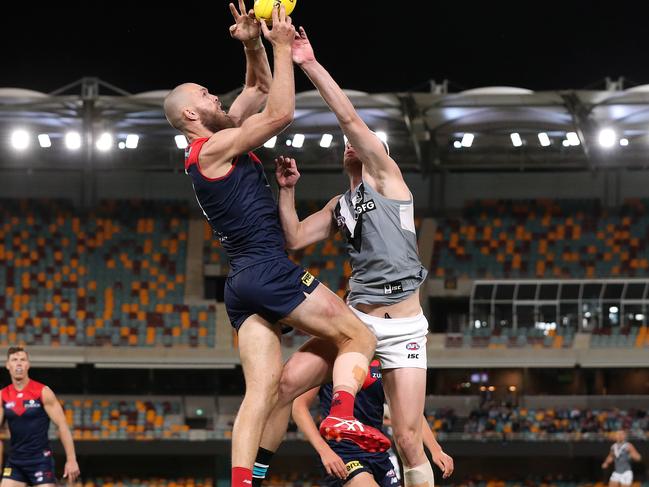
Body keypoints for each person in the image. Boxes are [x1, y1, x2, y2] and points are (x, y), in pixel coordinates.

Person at [163, 4, 387, 486]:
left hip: (241, 284)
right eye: (205, 94)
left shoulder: (217, 137)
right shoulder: (215, 148)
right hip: (268, 270)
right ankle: (343, 416)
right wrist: (281, 45)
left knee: (263, 393)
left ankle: (247, 482)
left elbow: (258, 89)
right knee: (361, 337)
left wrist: (251, 43)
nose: (214, 96)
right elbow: (280, 110)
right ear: (189, 113)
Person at [256, 26, 436, 487]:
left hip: (405, 326)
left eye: (367, 142)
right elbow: (294, 238)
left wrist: (309, 65)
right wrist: (288, 192)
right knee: (287, 383)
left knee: (410, 439)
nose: (353, 142)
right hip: (358, 320)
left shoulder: (388, 180)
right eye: (350, 143)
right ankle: (254, 472)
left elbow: (352, 120)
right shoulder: (340, 206)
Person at [290, 360, 454, 487]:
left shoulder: (382, 361)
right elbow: (298, 407)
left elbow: (409, 413)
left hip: (377, 452)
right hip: (342, 451)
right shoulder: (331, 356)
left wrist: (436, 449)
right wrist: (324, 451)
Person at [0, 347, 80, 487]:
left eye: (23, 360)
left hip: (40, 461)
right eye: (14, 360)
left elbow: (62, 426)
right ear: (8, 365)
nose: (19, 363)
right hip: (15, 461)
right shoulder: (2, 395)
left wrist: (71, 459)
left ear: (28, 365)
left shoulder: (42, 391)